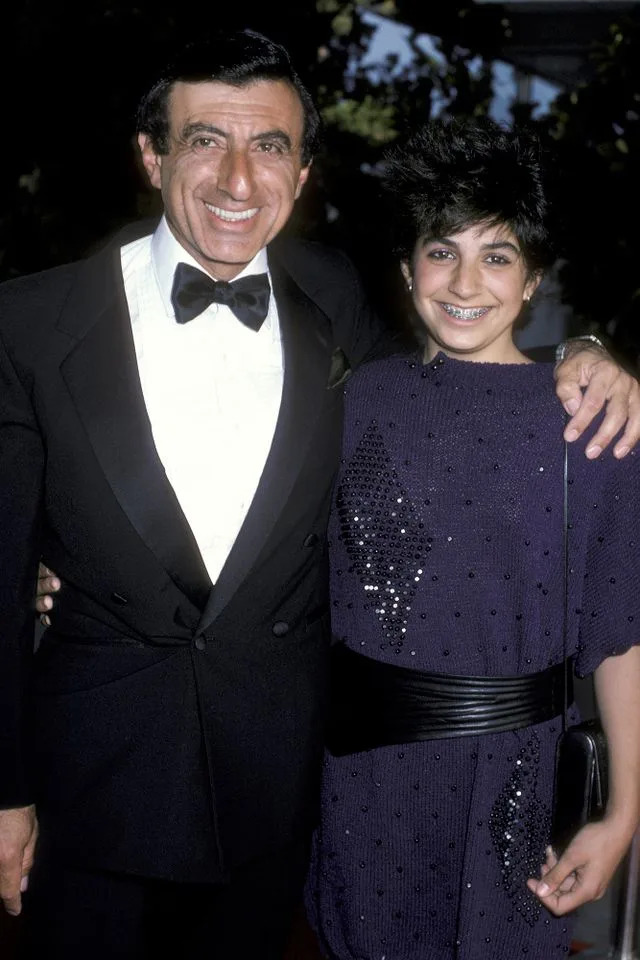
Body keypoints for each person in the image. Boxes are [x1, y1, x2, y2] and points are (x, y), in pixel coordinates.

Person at [3, 29, 638, 960]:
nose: (236, 179)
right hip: (88, 796)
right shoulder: (26, 321)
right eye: (204, 140)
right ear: (151, 154)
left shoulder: (333, 300)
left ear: (302, 174)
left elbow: (466, 394)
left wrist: (585, 354)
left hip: (284, 797)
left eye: (268, 147)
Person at [304, 118, 640, 960]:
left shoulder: (590, 422)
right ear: (407, 267)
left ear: (531, 280)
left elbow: (620, 635)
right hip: (360, 789)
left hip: (513, 797)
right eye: (440, 249)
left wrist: (624, 812)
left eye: (496, 256)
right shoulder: (350, 405)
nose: (465, 281)